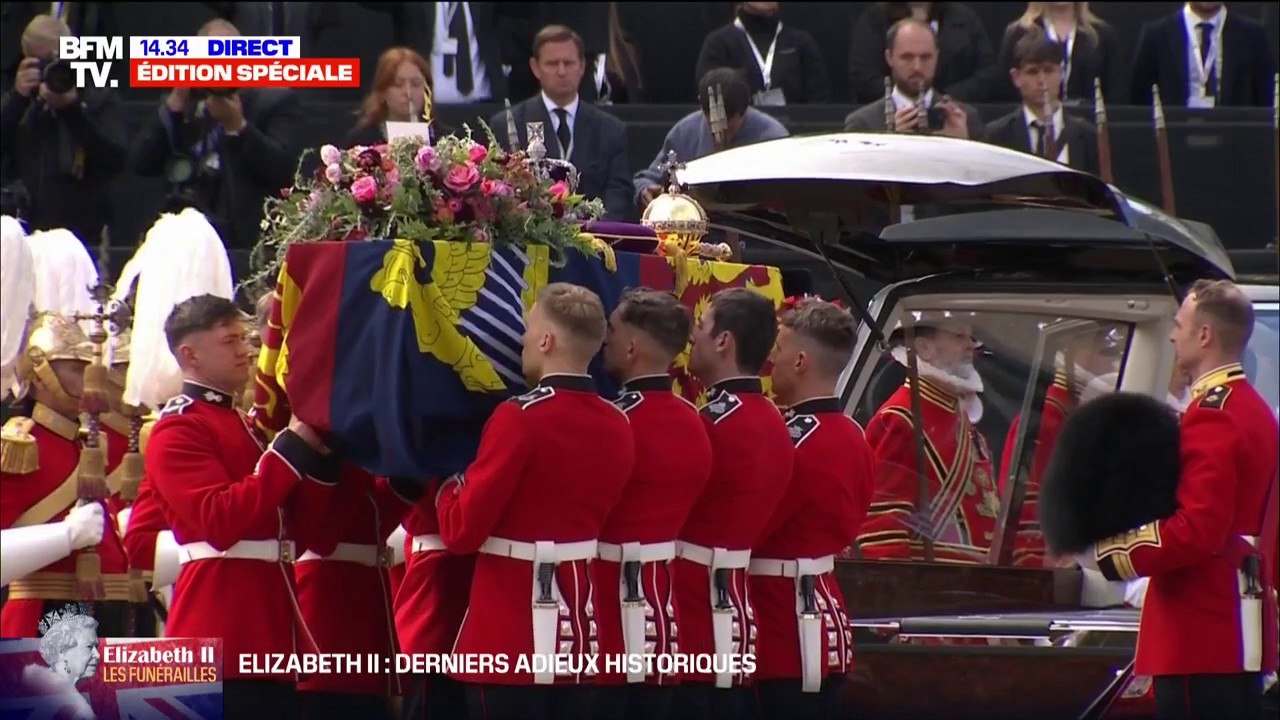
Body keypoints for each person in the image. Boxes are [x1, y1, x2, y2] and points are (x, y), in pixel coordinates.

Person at [433, 282, 635, 720]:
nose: (523, 339)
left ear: (546, 340)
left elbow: (462, 531)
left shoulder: (518, 418)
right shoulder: (619, 424)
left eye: (528, 329)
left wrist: (447, 484)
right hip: (580, 634)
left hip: (507, 636)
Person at [1087, 279, 1278, 720]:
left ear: (1205, 335)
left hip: (1200, 628)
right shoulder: (1249, 407)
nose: (1173, 335)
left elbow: (1197, 528)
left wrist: (1114, 553)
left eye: (1179, 325)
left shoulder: (1215, 414)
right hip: (1234, 624)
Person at [145, 294, 336, 718]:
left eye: (244, 338)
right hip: (221, 632)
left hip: (270, 631)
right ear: (190, 355)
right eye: (229, 341)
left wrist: (320, 468)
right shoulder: (178, 427)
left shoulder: (244, 424)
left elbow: (291, 534)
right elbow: (220, 520)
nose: (245, 349)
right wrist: (287, 453)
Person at [0, 230, 131, 639]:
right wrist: (64, 537)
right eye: (72, 368)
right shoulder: (19, 446)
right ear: (38, 373)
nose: (89, 376)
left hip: (112, 612)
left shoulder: (99, 443)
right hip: (44, 619)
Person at [671, 287, 796, 720]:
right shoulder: (776, 422)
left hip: (689, 615)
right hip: (738, 615)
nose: (693, 339)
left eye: (702, 328)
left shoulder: (711, 424)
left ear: (724, 341)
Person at [591, 288, 714, 720]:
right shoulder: (696, 422)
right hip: (663, 615)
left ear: (631, 346)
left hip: (602, 611)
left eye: (611, 331)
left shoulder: (614, 420)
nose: (604, 340)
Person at [750, 297, 875, 720]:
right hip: (825, 624)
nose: (772, 361)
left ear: (801, 360)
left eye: (779, 350)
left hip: (783, 631)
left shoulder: (794, 441)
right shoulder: (854, 434)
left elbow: (748, 528)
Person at [126, 18, 304, 275]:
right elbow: (140, 163)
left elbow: (282, 169)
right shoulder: (184, 102)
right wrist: (173, 107)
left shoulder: (274, 100)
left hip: (245, 241)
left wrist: (238, 127)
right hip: (184, 239)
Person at [856, 311, 1000, 564]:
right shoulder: (901, 420)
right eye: (959, 336)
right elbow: (881, 532)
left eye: (971, 336)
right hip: (933, 592)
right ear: (923, 348)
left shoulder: (957, 418)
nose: (971, 345)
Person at [997, 323, 1120, 568]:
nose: (1113, 362)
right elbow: (1024, 521)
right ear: (1073, 351)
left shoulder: (1078, 418)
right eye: (1104, 350)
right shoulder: (1043, 422)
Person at [0, 15, 127, 247]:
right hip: (23, 236)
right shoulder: (19, 102)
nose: (54, 69)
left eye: (60, 59)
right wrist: (17, 99)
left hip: (82, 238)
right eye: (43, 62)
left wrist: (72, 111)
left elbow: (116, 158)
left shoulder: (98, 98)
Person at [488, 25, 633, 222]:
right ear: (535, 67)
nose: (562, 71)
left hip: (596, 241)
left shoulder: (611, 131)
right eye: (552, 64)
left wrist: (596, 235)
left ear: (582, 66)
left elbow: (619, 197)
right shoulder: (507, 125)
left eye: (569, 63)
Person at [633, 67, 788, 212]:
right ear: (701, 106)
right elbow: (649, 177)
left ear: (745, 108)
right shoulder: (685, 132)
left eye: (730, 127)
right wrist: (645, 189)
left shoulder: (773, 138)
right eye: (712, 124)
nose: (720, 133)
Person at [842, 18, 983, 139]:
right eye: (907, 57)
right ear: (889, 58)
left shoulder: (966, 118)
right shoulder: (863, 123)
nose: (917, 67)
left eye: (926, 57)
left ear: (937, 57)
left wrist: (961, 146)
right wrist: (893, 145)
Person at [982, 30, 1099, 174]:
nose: (1042, 80)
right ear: (1016, 77)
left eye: (1049, 70)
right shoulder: (997, 135)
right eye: (1032, 72)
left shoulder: (1087, 135)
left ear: (1062, 73)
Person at [1130, 2, 1276, 108]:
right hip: (1173, 137)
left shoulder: (1252, 35)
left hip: (1234, 139)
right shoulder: (1156, 35)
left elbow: (1267, 98)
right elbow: (1138, 99)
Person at [847, 2, 994, 104]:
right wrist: (904, 98)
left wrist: (942, 98)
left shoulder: (964, 17)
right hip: (888, 113)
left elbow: (987, 73)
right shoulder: (875, 18)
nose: (917, 66)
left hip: (953, 109)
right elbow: (863, 74)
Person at [695, 2, 831, 106]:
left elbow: (819, 100)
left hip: (797, 134)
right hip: (739, 133)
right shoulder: (718, 42)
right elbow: (712, 97)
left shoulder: (801, 42)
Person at [989, 2, 1124, 105]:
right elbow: (1004, 92)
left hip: (1088, 128)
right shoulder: (1018, 33)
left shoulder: (1102, 35)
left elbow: (1116, 95)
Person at [345, 47, 436, 148]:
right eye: (398, 84)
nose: (408, 93)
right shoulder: (360, 142)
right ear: (383, 91)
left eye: (416, 84)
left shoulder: (448, 142)